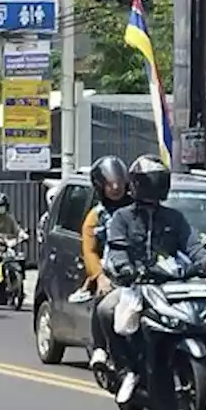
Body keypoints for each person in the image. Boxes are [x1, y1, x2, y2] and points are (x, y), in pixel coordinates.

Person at [103, 155, 206, 404]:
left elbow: (192, 244)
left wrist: (204, 262)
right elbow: (117, 248)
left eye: (158, 181)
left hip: (171, 284)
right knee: (107, 311)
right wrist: (124, 268)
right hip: (135, 283)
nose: (154, 186)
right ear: (136, 184)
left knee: (204, 312)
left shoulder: (175, 218)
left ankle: (192, 364)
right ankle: (126, 370)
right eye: (149, 181)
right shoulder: (122, 218)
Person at [79, 157, 132, 374]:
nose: (116, 187)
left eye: (119, 182)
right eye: (110, 184)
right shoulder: (96, 216)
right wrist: (99, 275)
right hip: (110, 271)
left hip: (140, 270)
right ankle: (100, 347)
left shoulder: (137, 209)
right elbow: (89, 251)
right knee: (103, 301)